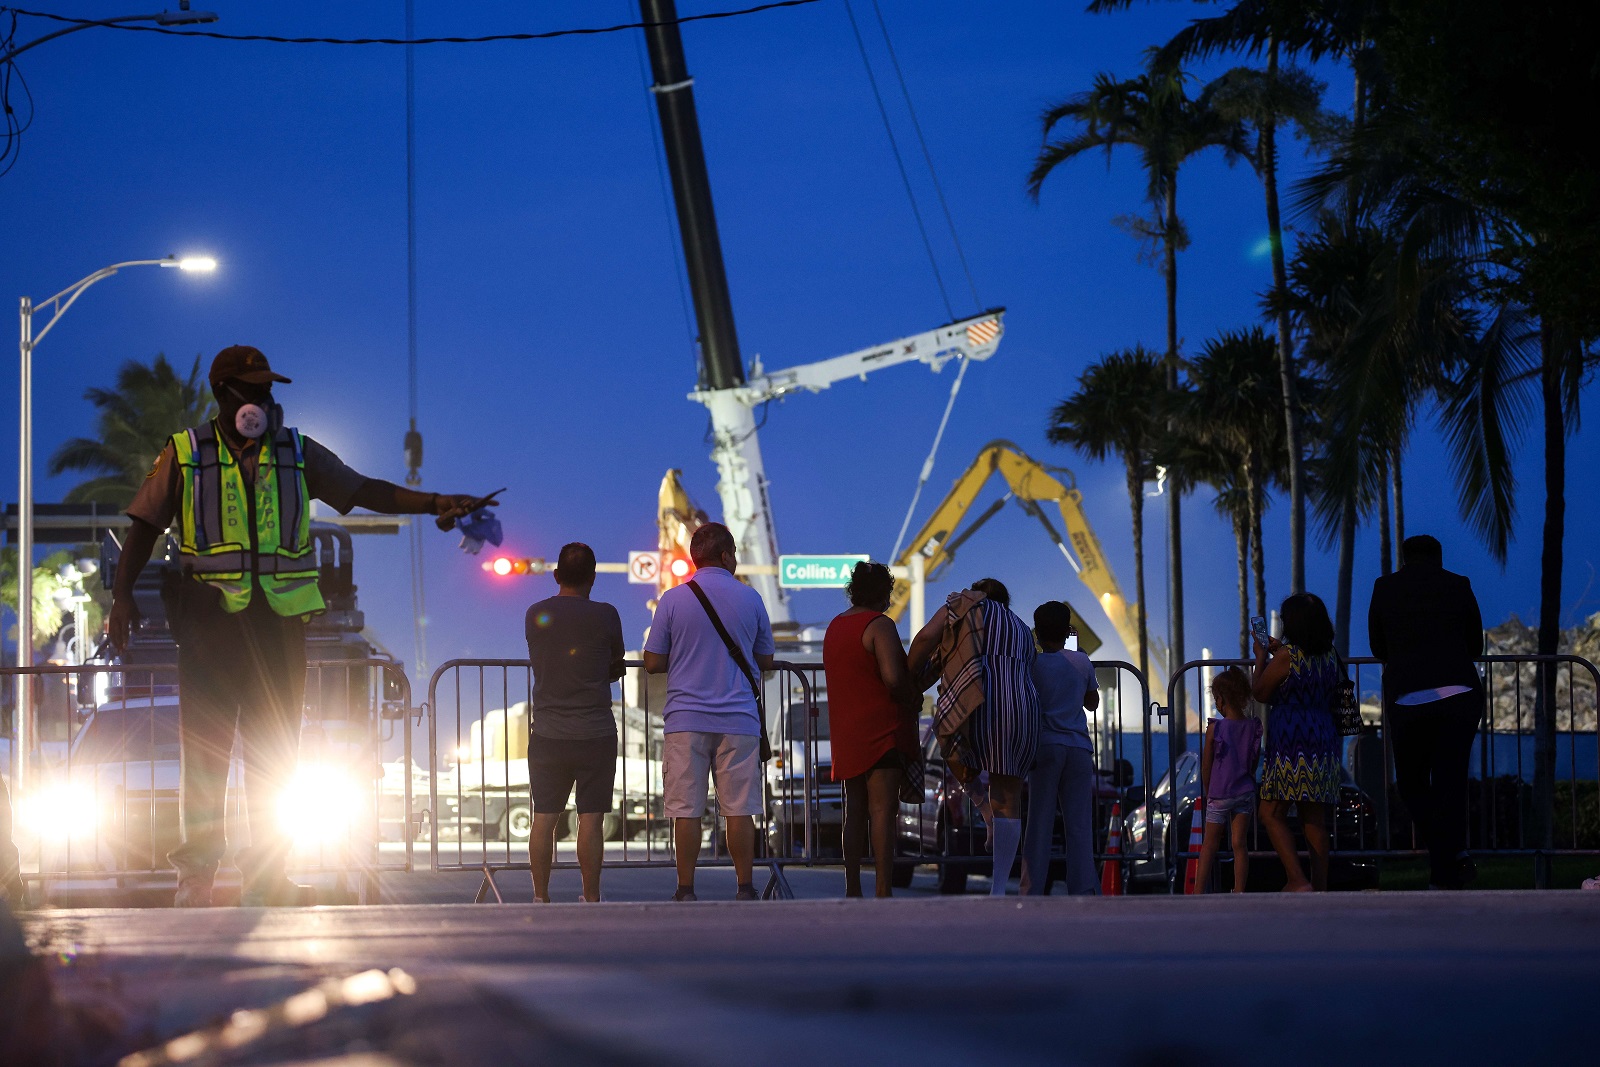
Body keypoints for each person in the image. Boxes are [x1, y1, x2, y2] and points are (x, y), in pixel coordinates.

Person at [108, 345, 483, 908]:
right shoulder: (185, 453)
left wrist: (434, 502)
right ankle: (198, 876)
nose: (263, 399)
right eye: (252, 390)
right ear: (225, 394)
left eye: (268, 390)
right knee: (206, 756)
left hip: (279, 624)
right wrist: (120, 597)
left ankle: (268, 877)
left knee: (276, 754)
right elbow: (142, 525)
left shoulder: (297, 452)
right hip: (210, 622)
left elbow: (362, 491)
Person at [642, 523, 774, 902]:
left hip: (686, 719)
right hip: (739, 719)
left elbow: (652, 662)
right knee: (739, 809)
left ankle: (685, 888)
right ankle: (745, 886)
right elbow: (764, 659)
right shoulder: (751, 599)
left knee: (686, 810)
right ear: (727, 556)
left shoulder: (672, 599)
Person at [1367, 534, 1485, 890]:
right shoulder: (1458, 584)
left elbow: (1377, 645)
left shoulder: (1385, 587)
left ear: (1404, 558)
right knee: (1450, 781)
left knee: (1412, 783)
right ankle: (1450, 861)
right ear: (1439, 556)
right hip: (1459, 694)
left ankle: (1448, 861)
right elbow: (1475, 645)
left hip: (1409, 698)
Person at [908, 577, 1039, 896]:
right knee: (1008, 796)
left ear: (977, 593)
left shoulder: (962, 606)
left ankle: (982, 806)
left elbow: (926, 637)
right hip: (1022, 706)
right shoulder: (1021, 627)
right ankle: (997, 889)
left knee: (951, 741)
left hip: (981, 697)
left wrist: (907, 679)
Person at [524, 542, 625, 903]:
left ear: (555, 576)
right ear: (593, 578)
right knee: (592, 820)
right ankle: (591, 897)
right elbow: (615, 664)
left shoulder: (536, 613)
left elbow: (541, 658)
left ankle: (540, 897)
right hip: (596, 731)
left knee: (545, 818)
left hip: (548, 732)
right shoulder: (607, 615)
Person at [823, 561, 918, 898]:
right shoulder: (879, 626)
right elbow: (893, 678)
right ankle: (882, 889)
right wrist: (913, 697)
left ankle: (852, 887)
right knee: (882, 811)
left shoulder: (835, 626)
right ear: (883, 593)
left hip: (846, 732)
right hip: (881, 730)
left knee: (855, 810)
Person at [1253, 593, 1341, 892]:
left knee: (1271, 812)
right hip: (1323, 738)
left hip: (1292, 742)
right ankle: (1320, 885)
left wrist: (1262, 656)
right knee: (1313, 817)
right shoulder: (1330, 654)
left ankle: (1296, 878)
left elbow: (1261, 692)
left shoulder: (1287, 657)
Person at [1020, 601, 1101, 896]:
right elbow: (1091, 703)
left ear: (1037, 633)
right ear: (1068, 630)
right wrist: (1078, 655)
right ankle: (1084, 887)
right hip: (1079, 747)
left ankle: (1031, 888)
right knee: (1078, 824)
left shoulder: (1033, 664)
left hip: (1046, 746)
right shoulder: (1080, 661)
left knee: (1039, 822)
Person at [1194, 667, 1262, 894]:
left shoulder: (1216, 728)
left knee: (1209, 845)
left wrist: (1207, 788)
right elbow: (1253, 761)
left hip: (1219, 793)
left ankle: (1198, 891)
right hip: (1244, 791)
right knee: (1239, 844)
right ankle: (1239, 890)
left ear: (1221, 699)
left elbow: (1206, 764)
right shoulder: (1253, 727)